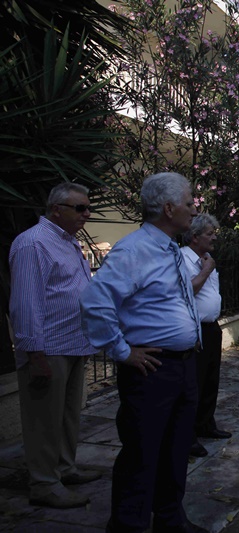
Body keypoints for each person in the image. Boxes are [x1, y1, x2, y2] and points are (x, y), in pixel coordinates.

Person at [81, 172, 208, 533]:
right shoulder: (134, 249)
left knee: (175, 449)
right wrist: (122, 351)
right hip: (152, 371)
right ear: (168, 209)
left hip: (182, 368)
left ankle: (170, 520)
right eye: (188, 202)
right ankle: (128, 526)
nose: (193, 208)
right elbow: (95, 301)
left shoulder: (169, 248)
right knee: (142, 454)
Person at [9, 182, 101, 509]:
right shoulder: (34, 244)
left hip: (74, 343)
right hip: (48, 348)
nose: (87, 214)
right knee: (43, 420)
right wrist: (35, 354)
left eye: (88, 208)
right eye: (80, 208)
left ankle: (64, 468)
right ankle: (44, 484)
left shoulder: (69, 242)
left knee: (67, 416)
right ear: (56, 210)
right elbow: (25, 304)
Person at [181, 213, 231, 458]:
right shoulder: (182, 258)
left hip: (212, 328)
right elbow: (186, 291)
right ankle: (188, 436)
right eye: (209, 233)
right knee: (195, 382)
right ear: (194, 236)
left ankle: (206, 424)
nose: (214, 237)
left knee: (211, 379)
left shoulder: (207, 258)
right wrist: (206, 270)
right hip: (195, 328)